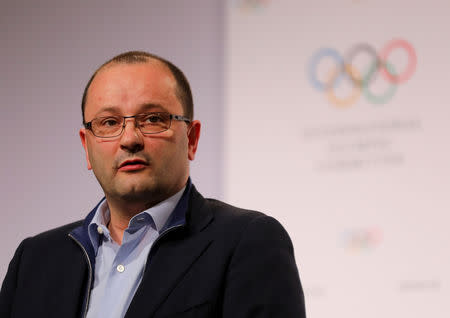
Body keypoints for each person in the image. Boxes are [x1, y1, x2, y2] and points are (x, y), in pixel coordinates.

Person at [0, 51, 306, 318]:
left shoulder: (247, 242)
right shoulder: (34, 260)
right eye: (109, 123)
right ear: (87, 146)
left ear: (192, 138)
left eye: (152, 119)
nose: (130, 139)